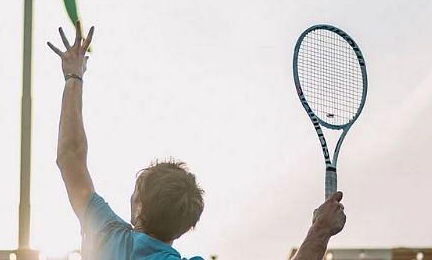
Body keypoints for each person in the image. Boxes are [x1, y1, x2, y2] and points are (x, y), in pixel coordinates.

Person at [49, 22, 347, 260]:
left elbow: (70, 157)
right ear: (188, 225)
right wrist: (320, 230)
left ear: (138, 207)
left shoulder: (107, 238)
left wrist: (73, 77)